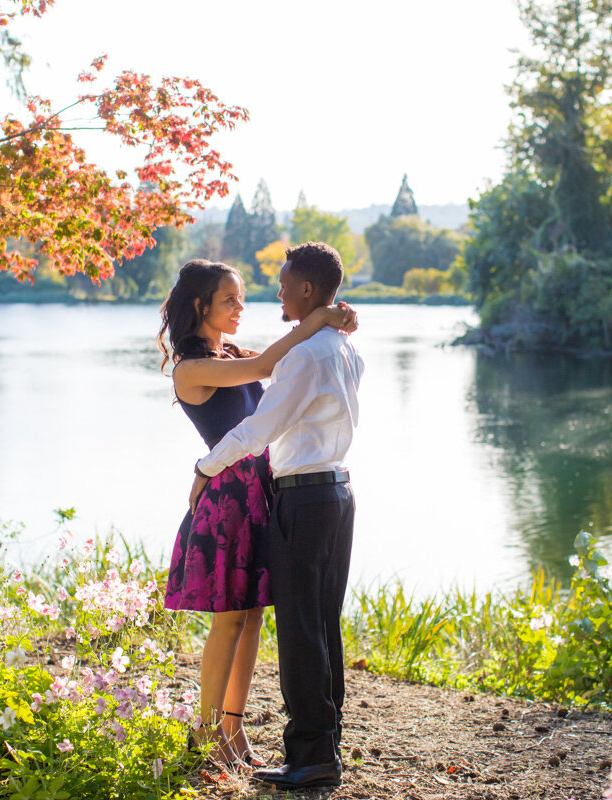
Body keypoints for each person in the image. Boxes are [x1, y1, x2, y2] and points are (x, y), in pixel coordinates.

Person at [157, 258, 357, 768]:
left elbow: (280, 363)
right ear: (200, 305)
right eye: (230, 299)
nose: (241, 307)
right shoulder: (192, 369)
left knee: (251, 622)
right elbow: (267, 367)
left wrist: (335, 318)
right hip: (226, 497)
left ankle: (233, 730)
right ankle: (203, 737)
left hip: (261, 491)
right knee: (228, 621)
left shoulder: (233, 353)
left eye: (241, 298)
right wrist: (322, 317)